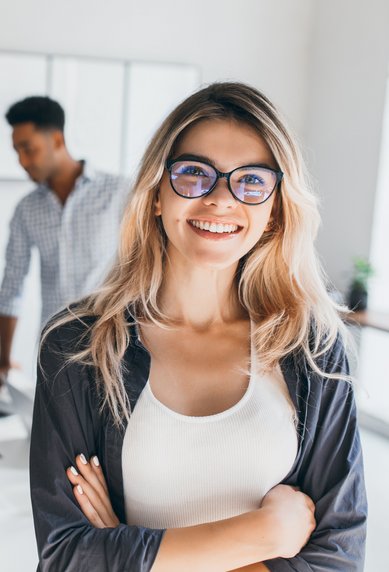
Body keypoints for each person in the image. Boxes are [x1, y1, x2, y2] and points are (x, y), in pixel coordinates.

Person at [31, 82, 367, 571]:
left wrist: (128, 550)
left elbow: (338, 559)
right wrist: (265, 533)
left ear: (274, 210)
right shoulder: (77, 346)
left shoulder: (313, 345)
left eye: (251, 180)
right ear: (155, 195)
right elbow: (65, 557)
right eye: (193, 174)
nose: (220, 199)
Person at [0, 96, 129, 387]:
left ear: (56, 140)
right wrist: (3, 361)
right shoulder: (26, 209)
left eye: (28, 149)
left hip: (113, 345)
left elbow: (146, 262)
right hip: (54, 350)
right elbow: (11, 286)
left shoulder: (119, 192)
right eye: (17, 151)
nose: (22, 161)